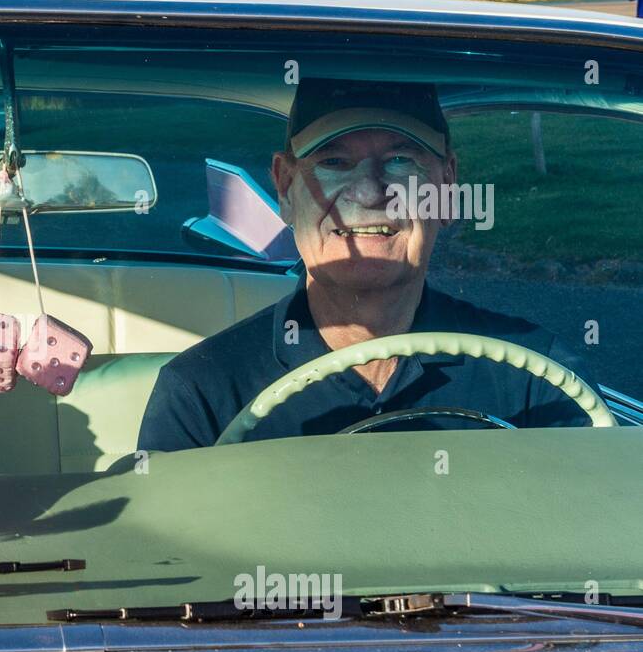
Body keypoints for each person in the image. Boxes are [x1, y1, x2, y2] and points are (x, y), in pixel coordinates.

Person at [137, 77, 598, 451]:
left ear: (448, 185)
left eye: (400, 160)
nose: (371, 192)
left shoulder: (537, 377)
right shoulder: (203, 391)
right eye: (334, 161)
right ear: (284, 186)